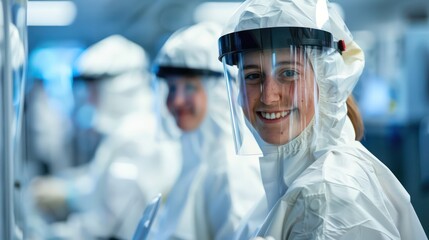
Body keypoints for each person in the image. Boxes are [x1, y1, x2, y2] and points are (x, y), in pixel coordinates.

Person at [217, 0, 428, 239]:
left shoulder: (325, 199)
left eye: (288, 73)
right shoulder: (297, 182)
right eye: (253, 76)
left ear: (327, 79)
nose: (269, 95)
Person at [30, 35, 181, 240]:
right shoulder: (132, 128)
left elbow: (108, 223)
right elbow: (102, 182)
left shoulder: (136, 137)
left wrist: (51, 235)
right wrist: (67, 189)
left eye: (94, 88)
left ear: (118, 88)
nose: (89, 98)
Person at [148, 22, 264, 240]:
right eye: (171, 88)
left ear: (220, 90)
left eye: (190, 87)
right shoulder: (198, 158)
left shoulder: (231, 167)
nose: (176, 100)